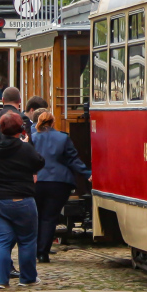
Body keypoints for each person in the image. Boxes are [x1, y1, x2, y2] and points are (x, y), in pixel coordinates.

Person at [0, 111, 44, 289]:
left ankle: (0, 280)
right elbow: (39, 163)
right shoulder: (24, 148)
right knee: (27, 239)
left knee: (1, 240)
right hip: (21, 199)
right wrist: (26, 144)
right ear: (21, 129)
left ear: (1, 128)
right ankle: (27, 278)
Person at [31, 111, 90, 263]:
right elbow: (72, 159)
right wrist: (87, 173)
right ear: (53, 122)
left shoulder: (33, 138)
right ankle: (43, 252)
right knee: (50, 218)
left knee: (36, 216)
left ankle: (33, 249)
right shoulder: (63, 138)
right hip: (59, 182)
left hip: (36, 181)